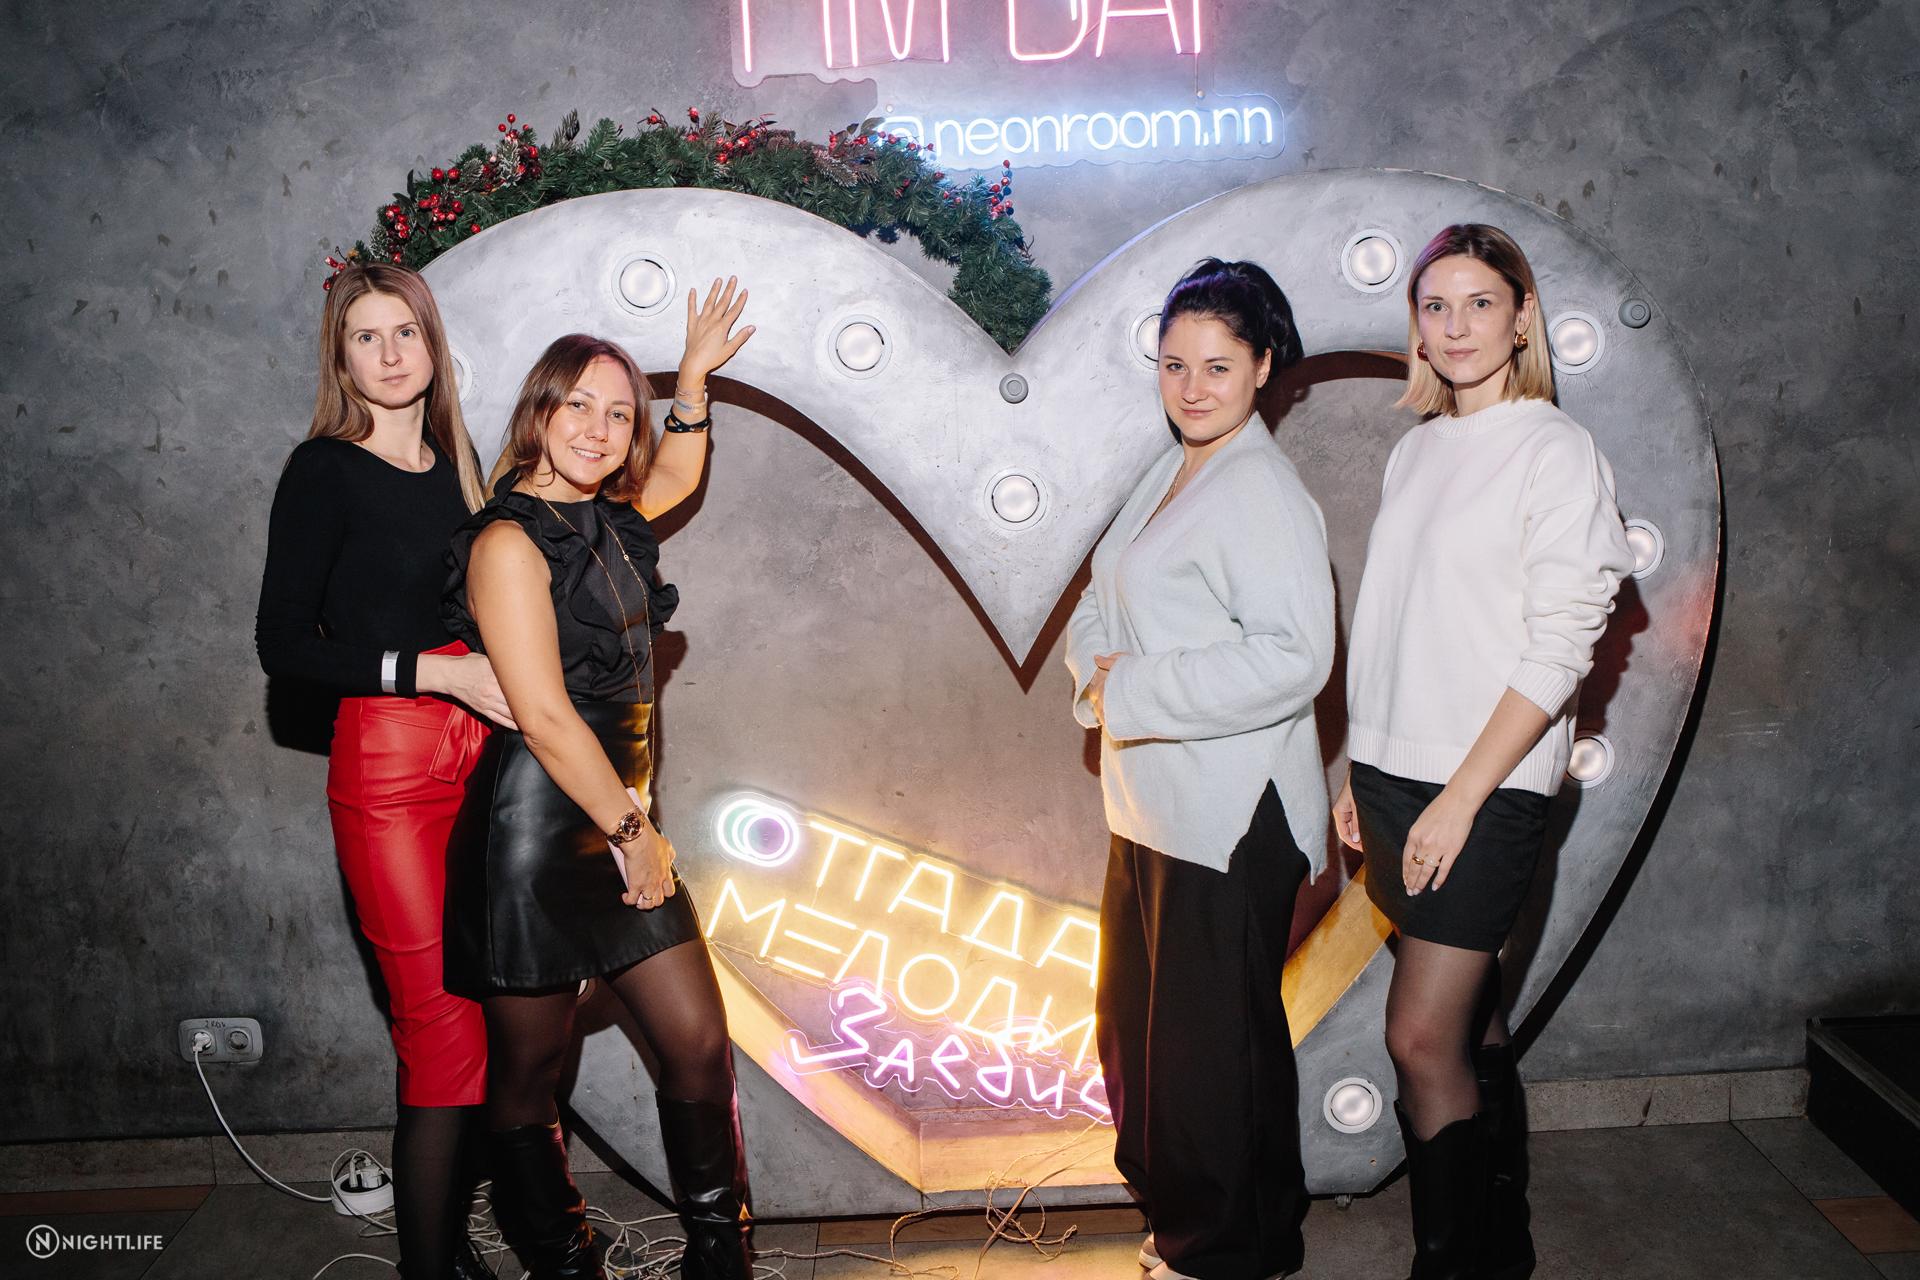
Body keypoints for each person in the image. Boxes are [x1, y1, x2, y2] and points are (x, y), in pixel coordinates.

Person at [1331, 223, 1633, 1280]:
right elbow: (1396, 624)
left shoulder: (1555, 449)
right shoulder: (1415, 450)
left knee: (1419, 1039)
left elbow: (1563, 645)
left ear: (1522, 317)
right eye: (1435, 305)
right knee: (1473, 1023)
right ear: (1416, 323)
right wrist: (1358, 765)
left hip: (1487, 784)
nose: (1456, 326)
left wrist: (1461, 796)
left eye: (1480, 303)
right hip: (1396, 776)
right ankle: (1503, 1247)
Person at [442, 282, 754, 1280]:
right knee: (528, 1075)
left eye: (619, 413)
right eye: (578, 403)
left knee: (696, 1045)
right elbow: (540, 715)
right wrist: (633, 832)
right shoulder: (506, 541)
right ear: (541, 410)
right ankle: (564, 1259)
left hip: (619, 818)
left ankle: (720, 1260)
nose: (598, 427)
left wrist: (691, 378)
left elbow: (682, 467)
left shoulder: (616, 521)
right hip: (536, 834)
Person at [1065, 259, 1335, 1280]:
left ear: (1263, 367)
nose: (1191, 386)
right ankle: (1200, 1219)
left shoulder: (1261, 488)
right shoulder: (1172, 467)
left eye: (1218, 365)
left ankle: (1228, 1248)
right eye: (1174, 364)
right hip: (1152, 801)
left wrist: (1129, 688)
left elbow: (1295, 657)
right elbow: (1100, 598)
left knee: (1211, 1051)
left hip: (1232, 811)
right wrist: (1100, 684)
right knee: (1148, 1038)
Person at [255, 263, 508, 1279]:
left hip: (483, 757)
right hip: (391, 770)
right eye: (368, 336)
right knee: (441, 1034)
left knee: (497, 1017)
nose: (392, 353)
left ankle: (448, 1242)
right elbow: (282, 644)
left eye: (407, 331)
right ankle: (430, 1268)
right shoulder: (323, 470)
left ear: (433, 344)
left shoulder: (462, 464)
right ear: (342, 356)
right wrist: (434, 671)